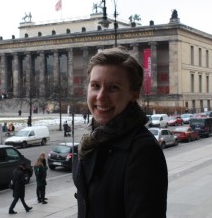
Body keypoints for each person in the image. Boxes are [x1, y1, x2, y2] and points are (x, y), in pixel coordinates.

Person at [72, 46, 168, 218]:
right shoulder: (93, 139)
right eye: (95, 85)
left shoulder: (143, 151)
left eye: (113, 87)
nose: (101, 96)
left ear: (134, 93)